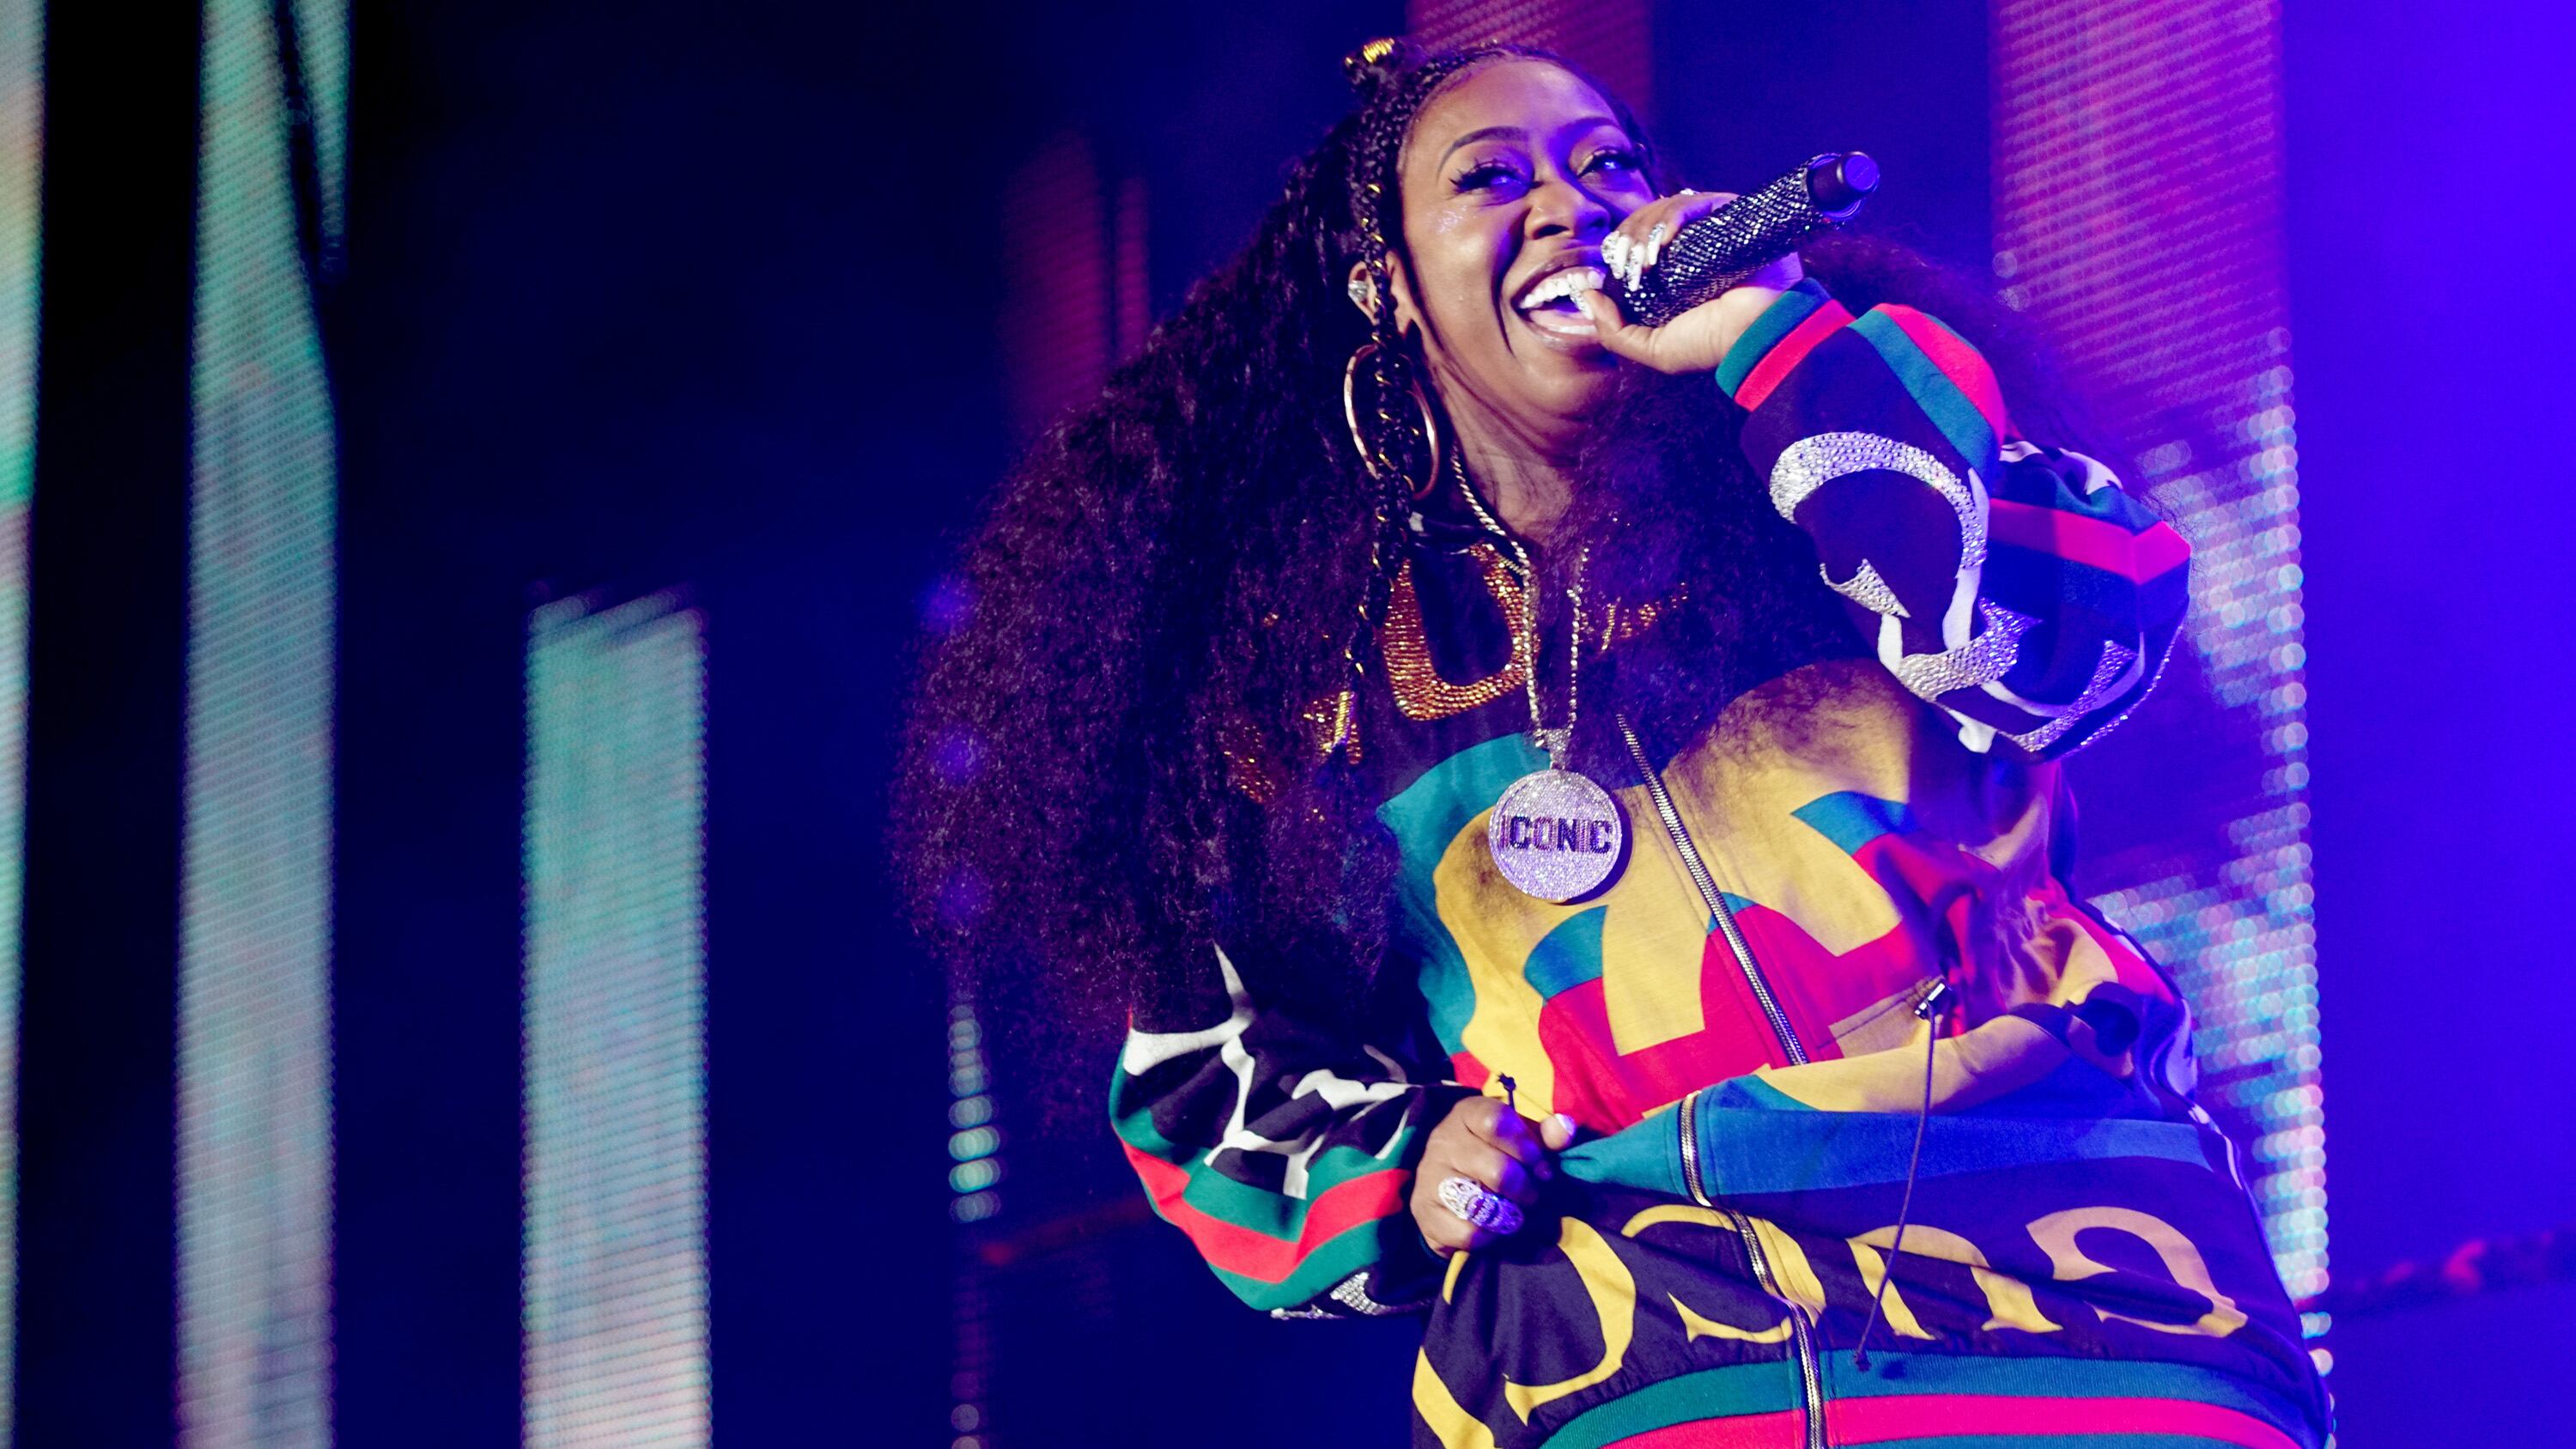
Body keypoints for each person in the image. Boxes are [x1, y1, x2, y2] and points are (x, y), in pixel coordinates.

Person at [904, 36, 2330, 1449]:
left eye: (1606, 168)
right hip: (1639, 1352)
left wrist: (1775, 339)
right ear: (1384, 287)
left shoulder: (1853, 407)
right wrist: (1404, 1165)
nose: (1566, 206)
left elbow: (2059, 656)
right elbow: (1198, 1070)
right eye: (1489, 178)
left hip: (2082, 1284)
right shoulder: (1310, 679)